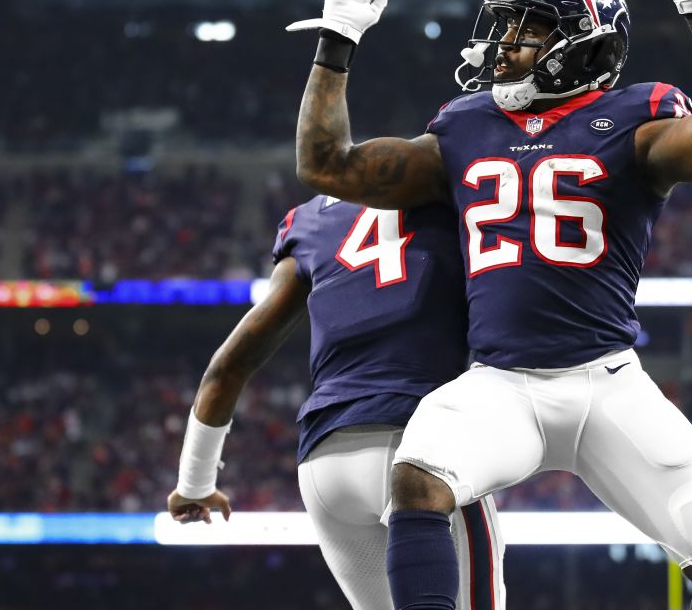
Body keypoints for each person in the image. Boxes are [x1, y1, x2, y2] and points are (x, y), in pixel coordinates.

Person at [286, 0, 692, 610]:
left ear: (587, 44)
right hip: (501, 383)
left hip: (607, 383)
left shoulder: (637, 115)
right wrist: (336, 43)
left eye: (529, 28)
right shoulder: (465, 125)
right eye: (506, 25)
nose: (505, 43)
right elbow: (326, 166)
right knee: (419, 478)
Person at [165, 196, 505, 610]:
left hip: (324, 464)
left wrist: (195, 483)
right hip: (421, 444)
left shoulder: (310, 222)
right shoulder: (456, 190)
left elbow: (228, 367)